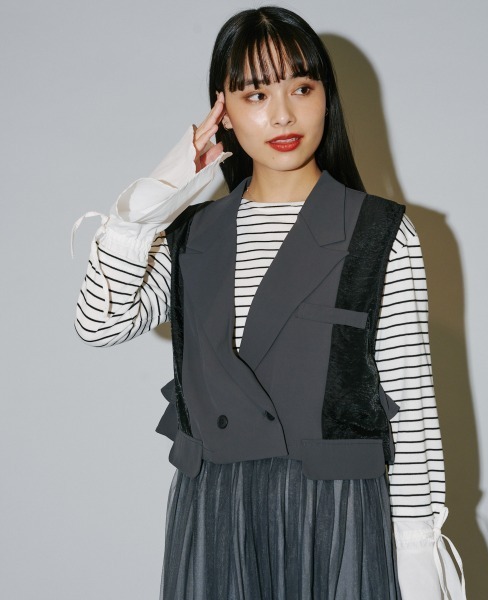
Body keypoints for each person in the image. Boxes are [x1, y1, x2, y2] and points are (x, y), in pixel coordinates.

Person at [73, 6, 466, 599]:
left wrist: (415, 557)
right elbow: (100, 323)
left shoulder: (378, 231)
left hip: (337, 519)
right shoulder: (192, 234)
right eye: (255, 94)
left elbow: (409, 408)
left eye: (301, 88)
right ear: (223, 110)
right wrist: (157, 196)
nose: (282, 114)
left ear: (326, 97)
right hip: (217, 518)